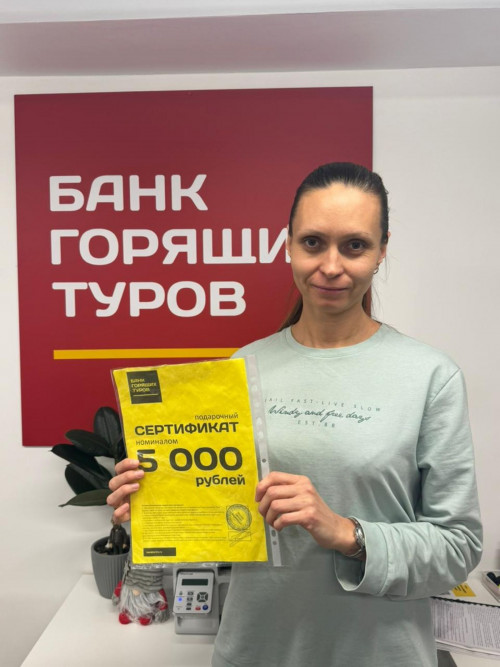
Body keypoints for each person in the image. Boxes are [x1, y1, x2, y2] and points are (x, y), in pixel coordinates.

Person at [108, 162, 482, 667]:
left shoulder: (430, 376)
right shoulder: (243, 367)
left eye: (355, 245)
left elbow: (459, 548)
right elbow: (226, 526)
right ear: (287, 245)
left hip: (377, 653)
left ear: (382, 250)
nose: (331, 265)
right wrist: (157, 506)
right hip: (255, 649)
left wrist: (348, 533)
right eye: (313, 242)